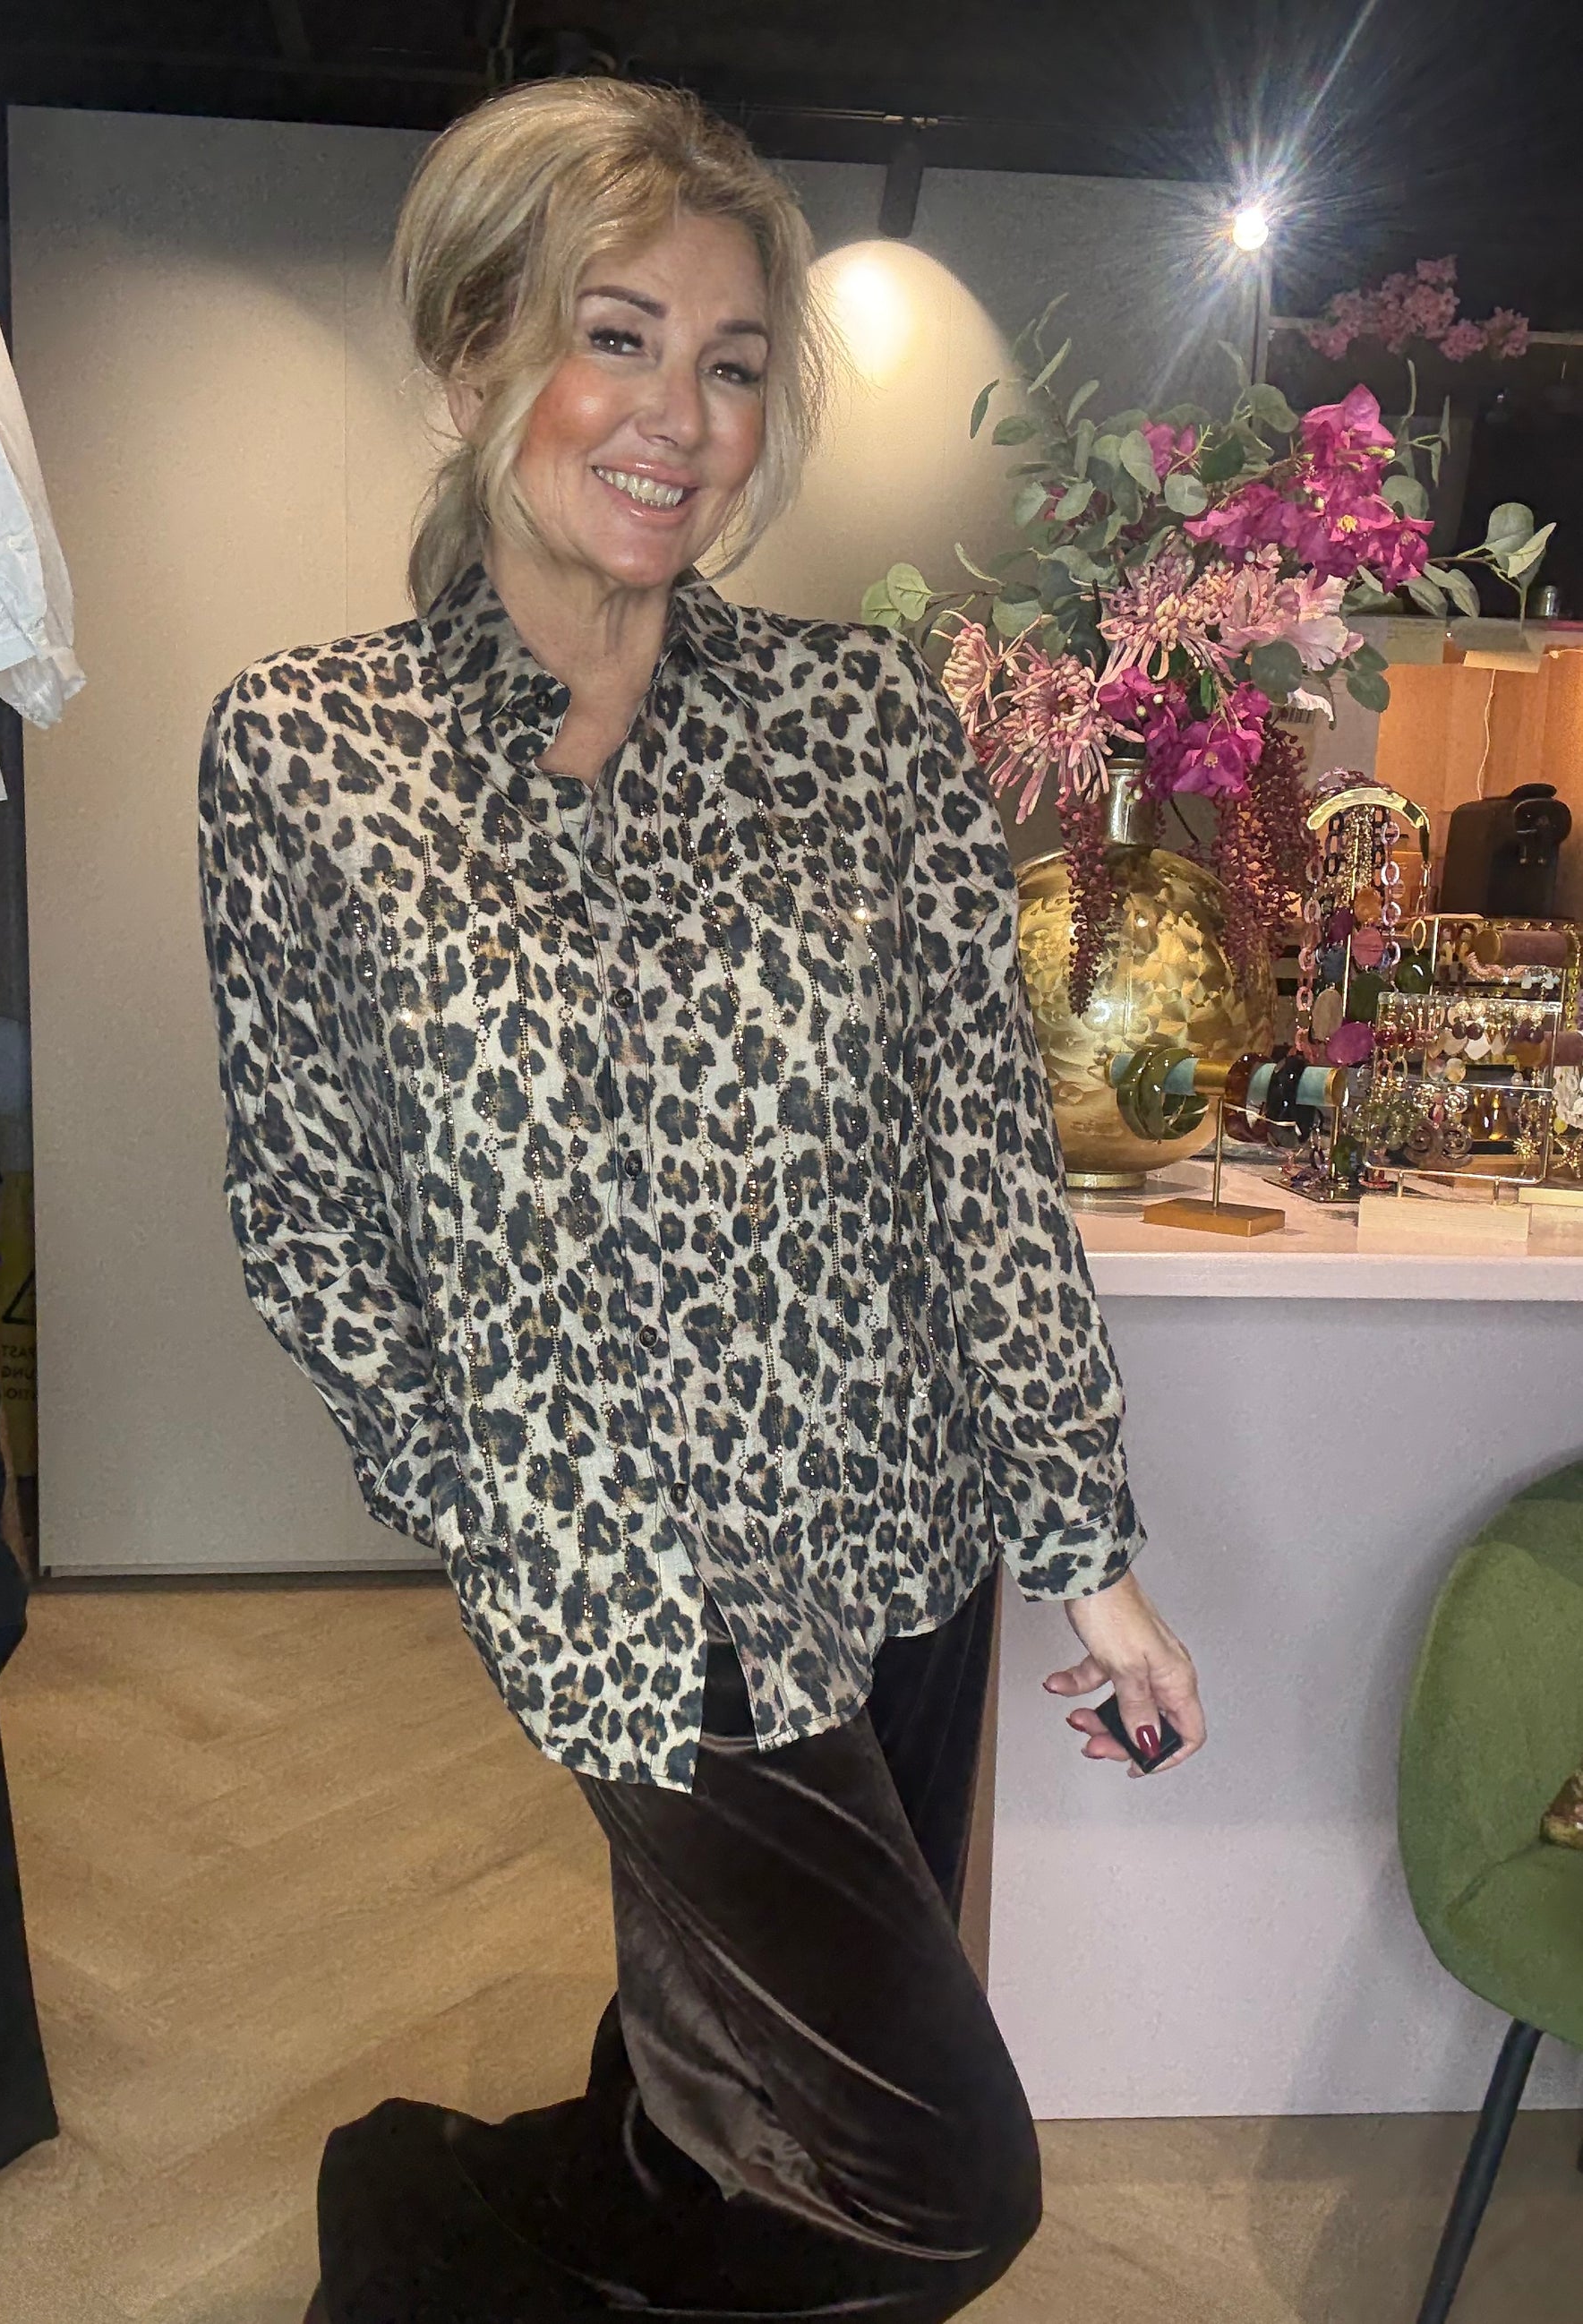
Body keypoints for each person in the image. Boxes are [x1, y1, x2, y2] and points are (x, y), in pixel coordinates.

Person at [199, 75, 1206, 2324]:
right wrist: (500, 1493)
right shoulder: (305, 753)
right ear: (470, 359)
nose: (681, 415)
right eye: (615, 335)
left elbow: (976, 1167)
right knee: (932, 2180)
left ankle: (431, 2212)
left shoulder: (865, 729)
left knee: (741, 2082)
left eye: (733, 362)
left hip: (902, 1527)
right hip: (630, 1584)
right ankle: (444, 2246)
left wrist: (1087, 1551)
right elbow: (310, 1218)